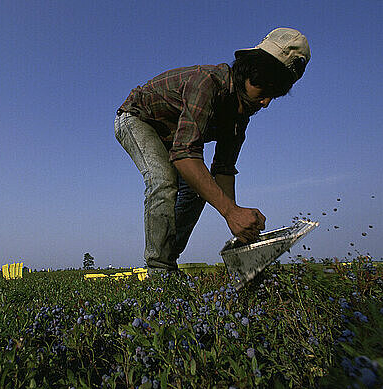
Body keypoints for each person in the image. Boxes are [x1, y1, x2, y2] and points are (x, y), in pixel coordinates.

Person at [114, 28, 310, 275]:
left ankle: (168, 260)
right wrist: (230, 212)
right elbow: (185, 155)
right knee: (163, 181)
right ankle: (159, 272)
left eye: (274, 95)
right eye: (265, 90)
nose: (266, 102)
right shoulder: (206, 83)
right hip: (138, 119)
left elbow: (223, 169)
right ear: (249, 73)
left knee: (201, 191)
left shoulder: (241, 115)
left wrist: (237, 220)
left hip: (173, 137)